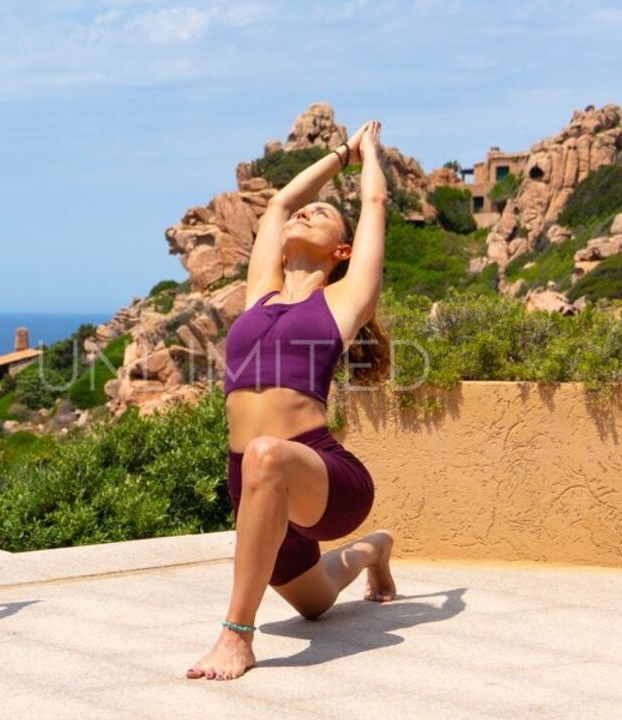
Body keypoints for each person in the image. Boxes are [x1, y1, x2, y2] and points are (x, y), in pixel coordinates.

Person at [186, 120, 398, 681]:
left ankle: (236, 638)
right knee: (316, 602)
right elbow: (280, 201)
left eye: (322, 215)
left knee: (264, 452)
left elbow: (374, 198)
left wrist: (368, 153)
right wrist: (336, 153)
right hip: (251, 478)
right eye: (308, 212)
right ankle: (375, 550)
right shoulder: (261, 294)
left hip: (318, 470)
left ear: (343, 250)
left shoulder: (345, 299)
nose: (306, 214)